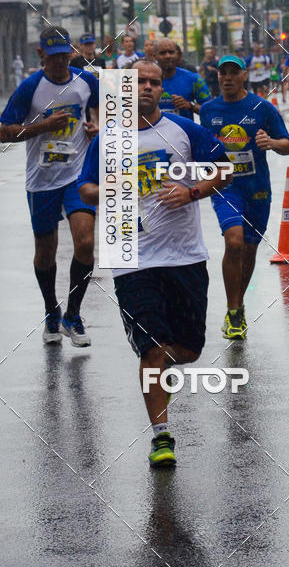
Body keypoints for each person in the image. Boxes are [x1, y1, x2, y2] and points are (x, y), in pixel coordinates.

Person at [78, 59, 231, 467]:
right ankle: (161, 435)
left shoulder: (185, 130)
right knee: (152, 349)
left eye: (154, 82)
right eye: (139, 82)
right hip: (131, 256)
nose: (147, 87)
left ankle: (161, 364)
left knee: (189, 350)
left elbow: (225, 169)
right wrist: (113, 185)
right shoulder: (106, 140)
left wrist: (193, 192)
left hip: (184, 255)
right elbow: (86, 189)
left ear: (162, 88)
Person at [0, 26, 98, 346]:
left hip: (77, 175)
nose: (59, 63)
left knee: (85, 243)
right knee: (46, 253)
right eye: (52, 57)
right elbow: (4, 131)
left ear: (71, 53)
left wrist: (97, 125)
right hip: (41, 179)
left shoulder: (85, 81)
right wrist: (43, 126)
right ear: (41, 55)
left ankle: (74, 314)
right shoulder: (31, 87)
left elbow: (110, 110)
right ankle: (51, 312)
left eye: (64, 56)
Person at [200, 55, 289, 341]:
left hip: (257, 189)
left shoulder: (262, 107)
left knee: (249, 250)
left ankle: (237, 305)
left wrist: (272, 143)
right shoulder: (207, 110)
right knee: (234, 241)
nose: (227, 78)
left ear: (244, 76)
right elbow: (202, 147)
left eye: (233, 73)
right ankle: (233, 309)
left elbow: (286, 145)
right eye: (222, 73)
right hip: (226, 187)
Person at [155, 37, 210, 120]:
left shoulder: (194, 79)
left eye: (171, 52)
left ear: (177, 54)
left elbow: (211, 111)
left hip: (184, 132)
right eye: (163, 53)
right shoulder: (145, 80)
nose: (167, 56)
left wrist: (190, 105)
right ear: (155, 56)